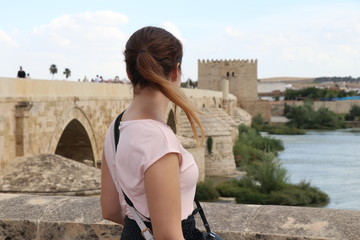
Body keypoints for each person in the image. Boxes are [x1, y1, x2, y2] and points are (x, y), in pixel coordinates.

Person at [100, 26, 205, 240]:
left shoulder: (116, 127)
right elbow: (168, 236)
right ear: (176, 71)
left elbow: (110, 210)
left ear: (129, 73)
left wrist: (140, 229)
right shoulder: (159, 140)